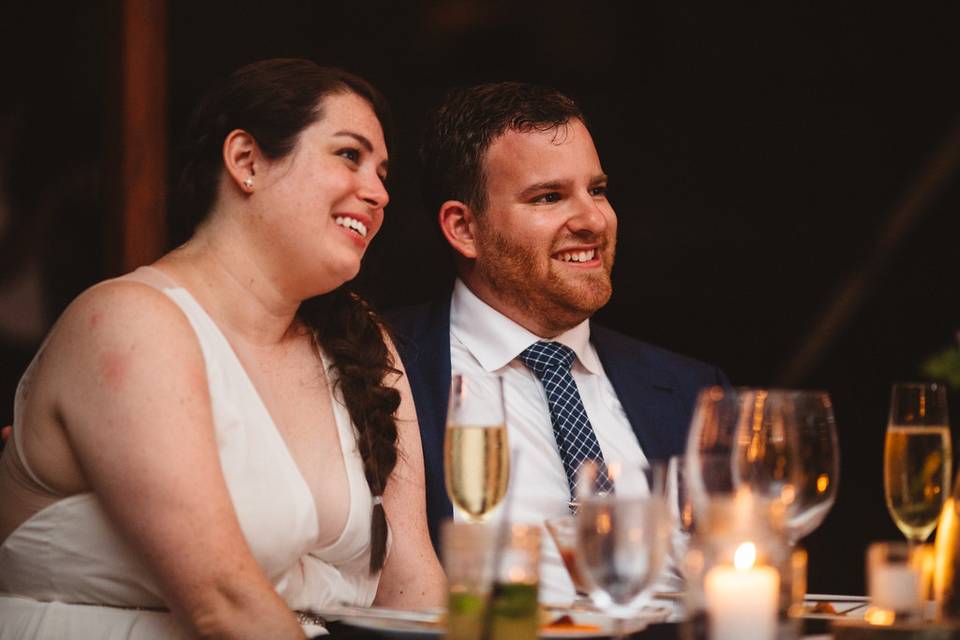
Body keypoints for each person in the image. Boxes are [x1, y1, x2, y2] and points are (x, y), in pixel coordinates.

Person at [0, 58, 444, 639]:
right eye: (349, 155)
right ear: (246, 161)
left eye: (383, 173)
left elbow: (411, 585)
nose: (378, 193)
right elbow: (221, 601)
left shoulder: (358, 339)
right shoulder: (127, 322)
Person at [387, 82, 729, 603]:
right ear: (464, 228)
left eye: (597, 189)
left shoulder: (691, 390)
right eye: (548, 197)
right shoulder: (385, 368)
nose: (593, 220)